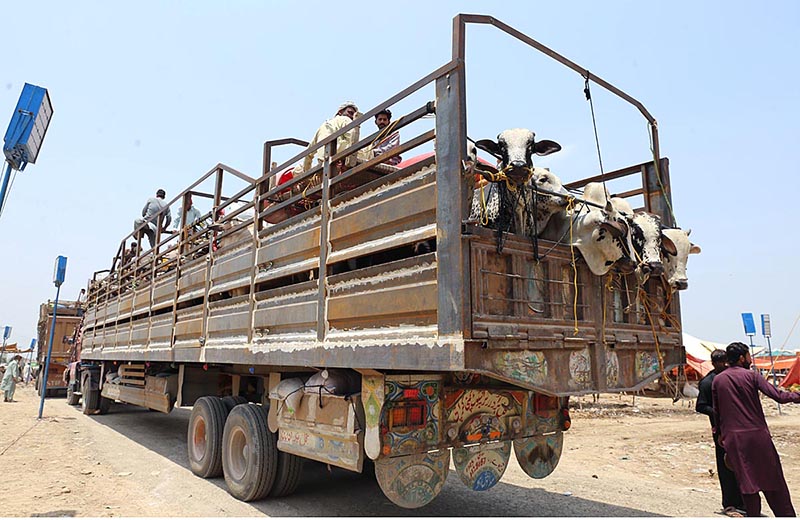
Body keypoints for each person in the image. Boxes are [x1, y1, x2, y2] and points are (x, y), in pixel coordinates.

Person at [712, 342, 800, 517]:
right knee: (774, 481)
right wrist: (797, 396)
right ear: (741, 358)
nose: (750, 360)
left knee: (747, 484)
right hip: (758, 437)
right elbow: (779, 396)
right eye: (748, 356)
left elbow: (717, 412)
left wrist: (720, 434)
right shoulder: (752, 376)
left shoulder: (718, 379)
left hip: (733, 439)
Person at [696, 349, 745, 517]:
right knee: (725, 466)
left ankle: (743, 501)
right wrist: (717, 412)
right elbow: (700, 406)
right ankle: (730, 503)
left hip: (737, 428)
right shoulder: (707, 382)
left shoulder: (729, 378)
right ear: (714, 363)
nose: (724, 366)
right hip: (721, 432)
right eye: (720, 363)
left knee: (740, 465)